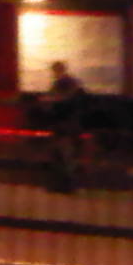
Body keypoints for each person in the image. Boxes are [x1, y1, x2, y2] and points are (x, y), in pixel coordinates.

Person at [38, 60, 88, 193]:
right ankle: (62, 185)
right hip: (64, 125)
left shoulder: (67, 85)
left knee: (66, 155)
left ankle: (67, 185)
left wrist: (50, 101)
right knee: (62, 155)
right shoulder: (69, 84)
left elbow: (62, 100)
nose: (54, 74)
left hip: (65, 126)